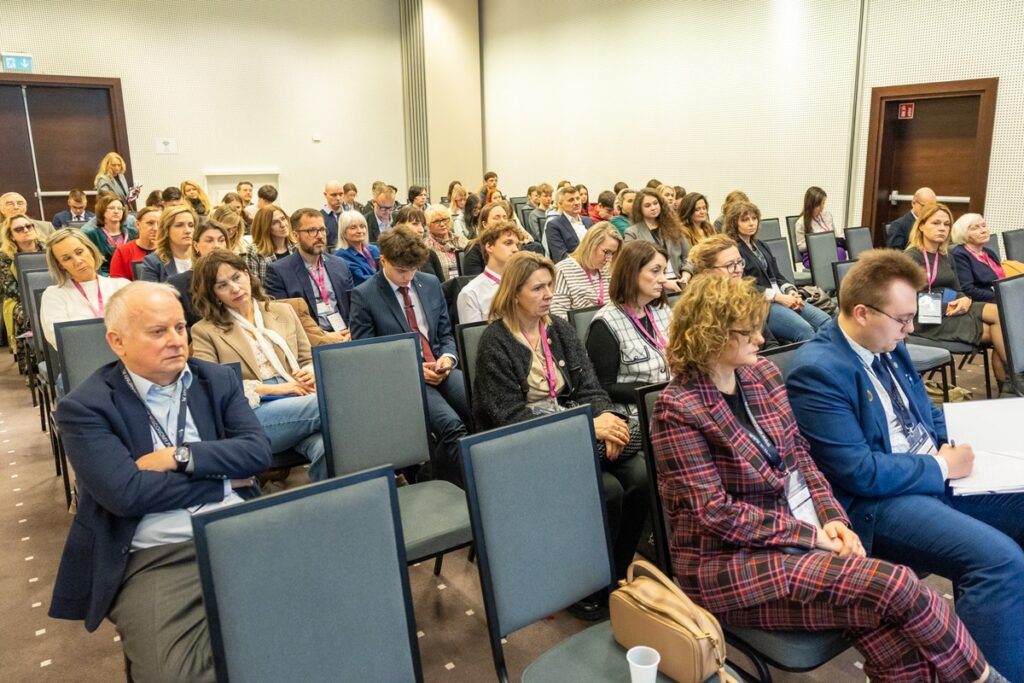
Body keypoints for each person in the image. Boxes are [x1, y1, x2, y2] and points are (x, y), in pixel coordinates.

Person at [653, 273, 1002, 683]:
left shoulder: (761, 375)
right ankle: (984, 678)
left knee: (893, 631)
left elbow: (801, 457)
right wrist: (811, 536)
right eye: (747, 332)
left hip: (796, 533)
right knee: (897, 584)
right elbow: (716, 513)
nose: (761, 338)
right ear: (711, 335)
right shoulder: (678, 409)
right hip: (729, 563)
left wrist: (832, 518)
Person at [785, 249, 1024, 679]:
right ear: (862, 313)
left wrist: (977, 435)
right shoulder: (818, 370)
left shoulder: (887, 343)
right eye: (903, 319)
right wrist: (943, 467)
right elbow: (859, 472)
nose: (911, 329)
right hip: (879, 503)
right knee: (998, 562)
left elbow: (923, 413)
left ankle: (1009, 633)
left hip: (929, 473)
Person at [48, 281, 270, 683]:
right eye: (158, 331)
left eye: (180, 327)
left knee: (313, 633)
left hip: (242, 530)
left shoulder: (216, 380)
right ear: (117, 342)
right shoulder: (85, 407)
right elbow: (127, 494)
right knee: (175, 675)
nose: (176, 340)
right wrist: (225, 482)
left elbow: (256, 454)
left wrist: (179, 457)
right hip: (158, 553)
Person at [473, 251, 647, 608]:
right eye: (538, 288)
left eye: (550, 285)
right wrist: (587, 428)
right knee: (608, 490)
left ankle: (614, 572)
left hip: (577, 433)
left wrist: (608, 422)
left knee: (641, 475)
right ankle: (582, 585)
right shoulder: (495, 342)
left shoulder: (559, 329)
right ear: (514, 293)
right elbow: (509, 418)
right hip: (526, 445)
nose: (549, 294)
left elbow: (591, 389)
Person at [190, 251, 327, 481]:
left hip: (299, 397)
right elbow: (212, 390)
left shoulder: (282, 311)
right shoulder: (205, 331)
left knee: (328, 445)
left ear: (247, 274)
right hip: (251, 413)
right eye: (222, 285)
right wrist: (275, 389)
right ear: (213, 294)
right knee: (330, 404)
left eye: (236, 277)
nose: (234, 288)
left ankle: (334, 500)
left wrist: (310, 372)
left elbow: (307, 359)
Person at [349, 224, 470, 484]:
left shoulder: (429, 283)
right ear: (383, 260)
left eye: (413, 269)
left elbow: (445, 334)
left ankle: (457, 474)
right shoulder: (365, 295)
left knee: (480, 407)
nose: (408, 277)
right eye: (401, 270)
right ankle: (465, 489)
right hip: (402, 379)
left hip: (440, 366)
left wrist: (448, 358)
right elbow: (364, 355)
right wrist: (413, 369)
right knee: (451, 425)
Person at [903, 203, 1007, 386]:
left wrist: (965, 300)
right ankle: (1012, 381)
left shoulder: (945, 255)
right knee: (1002, 331)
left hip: (952, 310)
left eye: (946, 224)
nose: (942, 228)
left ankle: (1011, 382)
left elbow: (958, 289)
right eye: (936, 223)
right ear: (921, 226)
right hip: (925, 320)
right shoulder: (911, 257)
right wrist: (948, 306)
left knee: (1002, 317)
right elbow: (906, 302)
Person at [724, 200, 830, 342]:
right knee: (805, 331)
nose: (751, 223)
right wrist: (778, 297)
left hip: (781, 296)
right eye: (745, 220)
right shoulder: (735, 251)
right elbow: (743, 286)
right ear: (734, 223)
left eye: (754, 218)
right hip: (762, 304)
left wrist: (790, 291)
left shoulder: (761, 245)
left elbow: (777, 276)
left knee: (826, 321)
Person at [587, 240, 672, 416]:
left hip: (672, 404)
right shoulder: (605, 323)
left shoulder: (662, 310)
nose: (663, 279)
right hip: (636, 413)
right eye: (655, 271)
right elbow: (603, 387)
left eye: (664, 271)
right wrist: (653, 392)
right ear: (632, 272)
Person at [264, 208, 353, 344]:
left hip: (346, 335)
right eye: (312, 231)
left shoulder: (339, 264)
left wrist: (351, 331)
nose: (320, 236)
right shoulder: (279, 271)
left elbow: (353, 305)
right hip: (310, 342)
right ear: (295, 236)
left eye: (322, 229)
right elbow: (283, 320)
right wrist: (323, 337)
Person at [39, 228, 130, 348]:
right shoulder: (54, 295)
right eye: (67, 258)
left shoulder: (122, 286)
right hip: (85, 357)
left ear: (90, 250)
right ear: (60, 266)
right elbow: (62, 341)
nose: (77, 261)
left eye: (79, 252)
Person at [687, 234, 780, 350]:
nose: (739, 270)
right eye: (730, 265)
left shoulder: (745, 296)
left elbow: (770, 343)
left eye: (740, 262)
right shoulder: (700, 311)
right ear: (708, 273)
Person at [166, 221, 230, 331]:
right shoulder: (178, 283)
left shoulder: (237, 278)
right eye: (209, 240)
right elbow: (178, 329)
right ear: (196, 246)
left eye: (221, 240)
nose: (217, 246)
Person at [0, 213, 44, 372]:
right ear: (11, 236)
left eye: (28, 226)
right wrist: (34, 300)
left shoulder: (48, 248)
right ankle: (31, 368)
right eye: (19, 229)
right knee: (27, 314)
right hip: (20, 299)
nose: (26, 230)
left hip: (50, 294)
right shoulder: (5, 257)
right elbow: (9, 288)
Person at [550, 222, 621, 319]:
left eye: (613, 253)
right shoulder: (562, 270)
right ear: (591, 245)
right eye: (607, 252)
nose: (609, 259)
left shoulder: (608, 270)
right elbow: (558, 316)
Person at [624, 187, 691, 291]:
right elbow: (634, 266)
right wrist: (664, 282)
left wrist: (685, 277)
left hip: (679, 280)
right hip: (651, 286)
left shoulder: (674, 227)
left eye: (655, 203)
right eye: (647, 205)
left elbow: (689, 257)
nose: (653, 208)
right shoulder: (632, 232)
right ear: (639, 209)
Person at [456, 221, 520, 324]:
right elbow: (474, 334)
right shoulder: (471, 293)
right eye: (508, 243)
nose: (516, 249)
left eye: (517, 245)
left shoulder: (525, 283)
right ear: (489, 247)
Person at [950, 213, 1004, 303]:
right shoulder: (959, 255)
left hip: (1000, 297)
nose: (983, 230)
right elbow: (968, 290)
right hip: (980, 302)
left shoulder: (989, 252)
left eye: (984, 225)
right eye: (975, 228)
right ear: (963, 233)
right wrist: (1003, 296)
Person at [81, 194, 137, 276]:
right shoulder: (92, 235)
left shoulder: (133, 232)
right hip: (106, 277)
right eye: (111, 208)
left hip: (132, 275)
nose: (116, 211)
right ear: (102, 210)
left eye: (120, 208)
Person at [140, 204, 198, 283]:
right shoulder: (153, 262)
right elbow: (149, 291)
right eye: (179, 225)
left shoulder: (203, 258)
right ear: (166, 230)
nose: (188, 230)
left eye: (191, 225)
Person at [244, 204, 295, 284]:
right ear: (265, 227)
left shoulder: (297, 246)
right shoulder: (255, 250)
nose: (283, 225)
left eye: (283, 218)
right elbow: (254, 285)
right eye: (275, 223)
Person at [795, 186, 846, 266]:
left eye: (823, 203)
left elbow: (834, 235)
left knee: (840, 251)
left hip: (829, 250)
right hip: (811, 256)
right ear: (811, 205)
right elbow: (801, 247)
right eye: (819, 205)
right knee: (838, 252)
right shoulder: (801, 223)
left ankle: (835, 273)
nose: (822, 207)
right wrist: (819, 242)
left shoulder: (827, 215)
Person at [109, 205, 161, 280]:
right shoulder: (123, 252)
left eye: (160, 224)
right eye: (150, 223)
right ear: (138, 224)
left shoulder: (169, 250)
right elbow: (117, 283)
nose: (156, 228)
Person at [545, 185, 594, 262]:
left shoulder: (588, 221)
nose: (577, 203)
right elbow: (561, 256)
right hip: (574, 266)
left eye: (578, 198)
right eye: (571, 200)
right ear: (560, 204)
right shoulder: (554, 226)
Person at [334, 209, 380, 286]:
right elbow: (362, 280)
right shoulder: (341, 256)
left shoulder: (374, 249)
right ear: (343, 232)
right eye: (353, 228)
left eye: (362, 226)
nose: (359, 231)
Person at [424, 204, 467, 281]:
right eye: (436, 221)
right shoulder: (426, 246)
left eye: (444, 219)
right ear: (428, 225)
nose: (442, 224)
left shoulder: (461, 240)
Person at [321, 180, 346, 248]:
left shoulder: (350, 215)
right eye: (334, 195)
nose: (338, 198)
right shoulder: (320, 218)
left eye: (341, 194)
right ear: (325, 195)